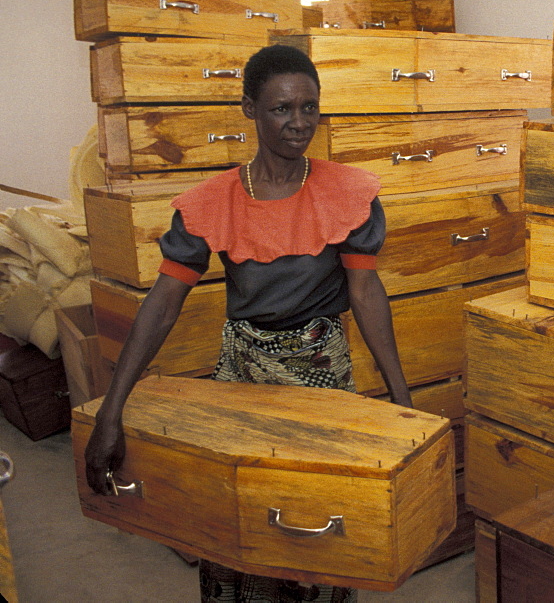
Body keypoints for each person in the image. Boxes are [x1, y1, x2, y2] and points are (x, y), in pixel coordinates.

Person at [85, 44, 412, 603]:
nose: (299, 123)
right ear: (249, 110)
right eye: (282, 108)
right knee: (241, 523)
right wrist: (111, 411)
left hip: (323, 376)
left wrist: (403, 404)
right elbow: (162, 305)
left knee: (319, 523)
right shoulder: (212, 202)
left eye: (310, 108)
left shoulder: (349, 194)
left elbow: (365, 292)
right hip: (242, 377)